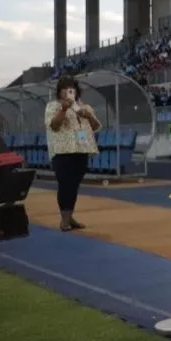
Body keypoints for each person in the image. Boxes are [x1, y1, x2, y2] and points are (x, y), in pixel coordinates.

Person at [44, 75, 101, 231]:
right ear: (59, 92)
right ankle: (64, 220)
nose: (68, 92)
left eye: (71, 89)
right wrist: (64, 109)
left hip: (82, 150)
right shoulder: (53, 106)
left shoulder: (84, 107)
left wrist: (89, 116)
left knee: (74, 185)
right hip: (62, 152)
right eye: (64, 89)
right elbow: (54, 125)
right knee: (65, 185)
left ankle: (69, 217)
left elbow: (96, 126)